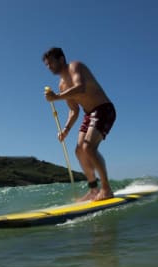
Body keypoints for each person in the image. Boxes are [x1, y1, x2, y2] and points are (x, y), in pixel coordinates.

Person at [43, 47, 116, 201]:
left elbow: (80, 88)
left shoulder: (75, 67)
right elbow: (74, 110)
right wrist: (66, 129)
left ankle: (106, 189)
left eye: (51, 63)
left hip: (104, 109)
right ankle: (94, 190)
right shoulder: (62, 85)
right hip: (89, 114)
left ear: (61, 59)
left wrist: (56, 97)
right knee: (79, 151)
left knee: (88, 147)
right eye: (47, 65)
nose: (49, 67)